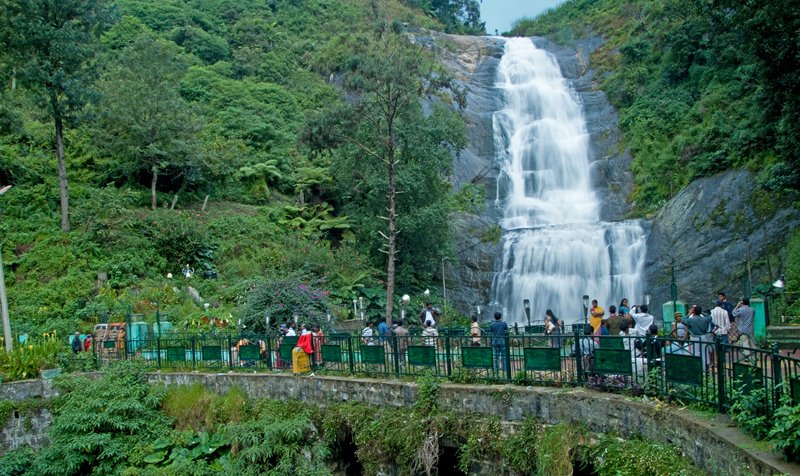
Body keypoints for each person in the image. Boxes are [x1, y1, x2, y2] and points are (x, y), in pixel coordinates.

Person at [683, 305, 716, 371]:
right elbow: (710, 317)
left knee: (695, 353)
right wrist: (701, 312)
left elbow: (683, 321)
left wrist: (689, 313)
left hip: (694, 337)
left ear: (694, 312)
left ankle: (696, 368)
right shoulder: (705, 319)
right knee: (705, 352)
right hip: (703, 337)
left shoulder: (690, 320)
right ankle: (705, 369)